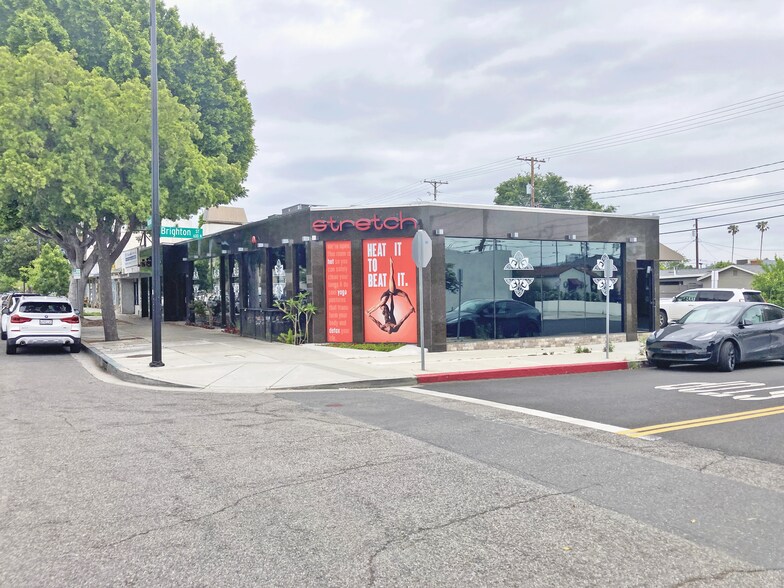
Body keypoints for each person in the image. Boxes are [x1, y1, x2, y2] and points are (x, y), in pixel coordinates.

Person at [366, 258, 415, 334]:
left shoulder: (383, 327)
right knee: (395, 305)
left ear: (387, 328)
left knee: (383, 305)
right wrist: (410, 311)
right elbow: (402, 319)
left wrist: (370, 315)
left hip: (386, 296)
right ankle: (380, 306)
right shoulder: (395, 327)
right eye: (390, 327)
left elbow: (376, 321)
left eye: (389, 327)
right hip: (391, 293)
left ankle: (372, 310)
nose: (390, 327)